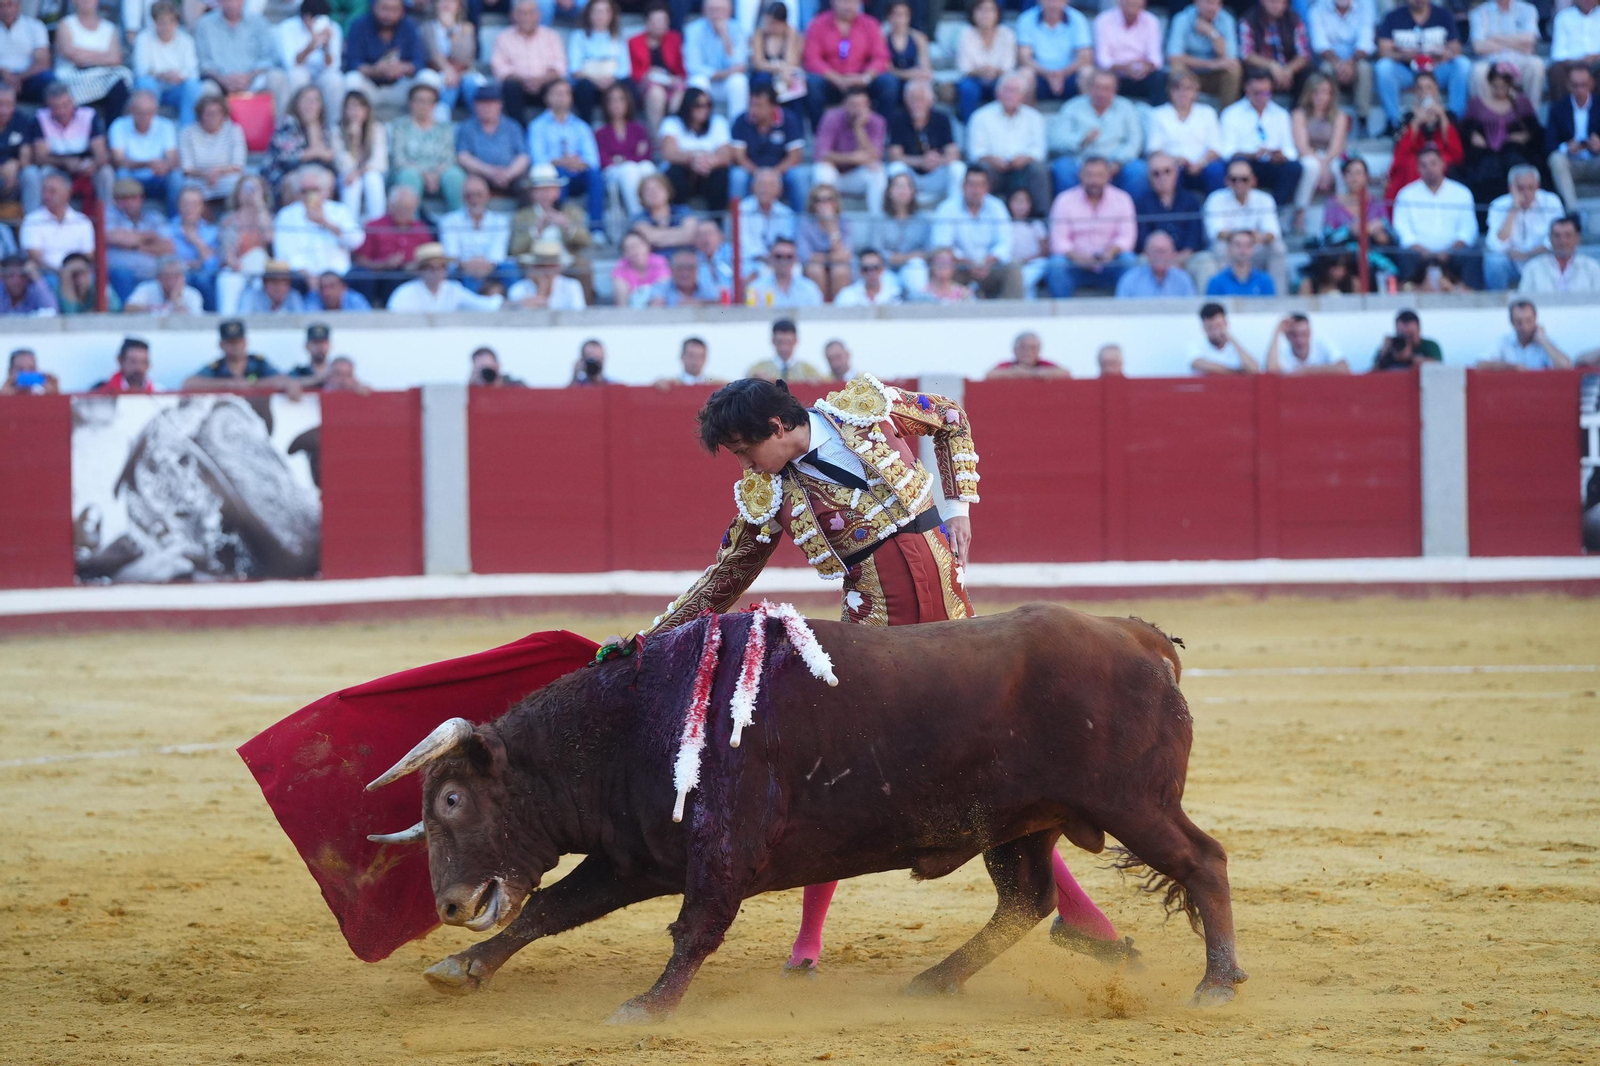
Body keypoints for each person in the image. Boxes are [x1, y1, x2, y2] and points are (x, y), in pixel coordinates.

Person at [1374, 0, 1471, 134]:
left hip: (1436, 71)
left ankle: (1454, 118)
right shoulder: (1393, 16)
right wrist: (1404, 55)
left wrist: (1443, 53)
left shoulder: (1443, 15)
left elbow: (1456, 48)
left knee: (1462, 64)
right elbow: (1383, 51)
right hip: (1407, 71)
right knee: (1383, 67)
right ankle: (1396, 123)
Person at [1045, 155, 1136, 297]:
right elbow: (1058, 241)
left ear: (1108, 176)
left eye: (1099, 175)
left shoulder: (1122, 199)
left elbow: (1126, 237)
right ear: (1080, 176)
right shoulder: (1064, 200)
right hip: (1075, 265)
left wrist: (1111, 252)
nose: (1094, 181)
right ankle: (1062, 316)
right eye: (1089, 175)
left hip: (1109, 264)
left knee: (1128, 261)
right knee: (1056, 264)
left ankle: (1125, 314)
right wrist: (1079, 258)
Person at [1457, 62, 1544, 210]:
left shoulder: (1521, 103)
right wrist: (1473, 136)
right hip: (1484, 155)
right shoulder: (1477, 103)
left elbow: (1535, 131)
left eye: (1503, 86)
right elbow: (1466, 130)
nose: (1499, 90)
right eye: (1495, 86)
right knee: (1487, 168)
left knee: (1515, 163)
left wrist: (1525, 136)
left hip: (1513, 153)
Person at [1048, 67, 1146, 198]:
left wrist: (1118, 162)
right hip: (1081, 163)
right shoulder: (1072, 107)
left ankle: (1129, 215)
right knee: (1063, 167)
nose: (1101, 93)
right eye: (1097, 87)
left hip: (1116, 164)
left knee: (1138, 170)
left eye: (1107, 89)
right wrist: (1081, 140)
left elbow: (1135, 141)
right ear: (1089, 87)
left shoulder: (1126, 108)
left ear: (1115, 91)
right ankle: (1072, 214)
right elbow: (1055, 140)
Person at [21, 81, 114, 213]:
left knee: (106, 172)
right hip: (55, 168)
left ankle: (107, 219)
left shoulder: (88, 116)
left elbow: (101, 154)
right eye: (55, 107)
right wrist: (65, 162)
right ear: (48, 106)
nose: (61, 111)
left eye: (65, 105)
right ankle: (34, 221)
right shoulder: (40, 118)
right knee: (32, 173)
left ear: (72, 101)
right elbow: (40, 157)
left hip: (85, 167)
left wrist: (91, 164)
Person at [1391, 145, 1478, 286]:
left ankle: (1468, 295)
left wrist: (1448, 252)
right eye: (1424, 165)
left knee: (1472, 253)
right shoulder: (1406, 194)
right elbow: (1403, 230)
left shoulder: (1462, 193)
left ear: (1442, 164)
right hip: (1419, 254)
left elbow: (1468, 230)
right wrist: (1423, 251)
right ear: (1418, 169)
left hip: (1453, 253)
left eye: (1433, 163)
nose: (1429, 169)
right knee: (1404, 254)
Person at [929, 166, 1021, 299]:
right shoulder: (947, 208)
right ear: (963, 186)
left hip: (990, 267)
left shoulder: (997, 207)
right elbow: (942, 245)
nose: (976, 190)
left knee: (1014, 266)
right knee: (942, 265)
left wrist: (988, 261)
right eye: (971, 185)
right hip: (959, 268)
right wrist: (968, 263)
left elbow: (1005, 243)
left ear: (987, 188)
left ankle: (1013, 316)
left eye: (980, 185)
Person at [966, 70, 1049, 215]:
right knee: (980, 168)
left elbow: (1039, 151)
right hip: (994, 171)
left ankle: (1042, 219)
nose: (1010, 95)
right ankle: (980, 216)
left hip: (1023, 170)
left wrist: (1025, 158)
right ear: (998, 93)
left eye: (1015, 91)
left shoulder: (1034, 117)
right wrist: (992, 159)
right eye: (1007, 90)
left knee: (1038, 169)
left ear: (1022, 95)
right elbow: (975, 152)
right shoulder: (981, 116)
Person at [801, 0, 894, 125]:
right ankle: (819, 133)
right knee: (813, 82)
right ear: (833, 2)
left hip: (861, 81)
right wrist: (836, 78)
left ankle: (882, 130)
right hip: (831, 82)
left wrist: (864, 78)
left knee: (888, 82)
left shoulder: (871, 24)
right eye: (844, 2)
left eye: (852, 2)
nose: (848, 6)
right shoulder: (818, 24)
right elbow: (811, 58)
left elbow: (881, 57)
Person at [527, 79, 604, 230]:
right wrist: (564, 162)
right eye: (557, 93)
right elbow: (538, 159)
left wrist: (575, 164)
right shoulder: (537, 126)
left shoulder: (581, 126)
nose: (562, 97)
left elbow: (592, 160)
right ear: (546, 97)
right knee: (558, 174)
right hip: (552, 176)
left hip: (577, 175)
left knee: (595, 175)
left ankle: (597, 228)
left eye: (565, 93)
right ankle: (557, 224)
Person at [1219, 69, 1303, 207]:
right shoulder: (1231, 114)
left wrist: (1282, 155)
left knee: (1294, 167)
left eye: (1266, 93)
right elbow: (1227, 151)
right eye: (1256, 93)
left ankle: (1274, 210)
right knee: (1238, 165)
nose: (1261, 97)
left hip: (1272, 164)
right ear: (1246, 89)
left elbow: (1291, 150)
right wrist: (1251, 155)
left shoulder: (1280, 114)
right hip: (1247, 163)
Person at [1203, 159, 1287, 292]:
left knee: (1278, 248)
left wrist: (1254, 239)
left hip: (1255, 248)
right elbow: (1216, 232)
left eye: (1244, 179)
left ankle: (1278, 297)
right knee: (1220, 248)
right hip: (1231, 247)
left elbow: (1272, 233)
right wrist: (1244, 237)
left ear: (1253, 180)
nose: (1239, 183)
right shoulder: (1215, 199)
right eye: (1234, 179)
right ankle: (1226, 295)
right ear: (1227, 181)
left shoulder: (1264, 199)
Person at [1382, 70, 1462, 202]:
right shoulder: (1408, 117)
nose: (1424, 91)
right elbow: (1400, 152)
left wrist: (1442, 118)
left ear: (1436, 89)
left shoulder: (1449, 116)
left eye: (1428, 87)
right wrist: (1416, 123)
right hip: (1414, 165)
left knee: (1435, 163)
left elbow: (1456, 153)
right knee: (1413, 163)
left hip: (1443, 162)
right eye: (1420, 88)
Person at [195, 0, 288, 113]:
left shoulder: (258, 22)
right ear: (220, 2)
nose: (232, 4)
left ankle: (281, 127)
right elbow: (203, 63)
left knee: (277, 77)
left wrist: (250, 76)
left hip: (254, 80)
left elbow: (269, 57)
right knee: (206, 89)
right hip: (220, 82)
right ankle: (214, 130)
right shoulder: (205, 24)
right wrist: (223, 80)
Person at [1483, 165, 1566, 290]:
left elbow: (1557, 239)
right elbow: (1495, 245)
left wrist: (1528, 254)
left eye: (1531, 188)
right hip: (1512, 261)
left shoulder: (1551, 201)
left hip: (1540, 258)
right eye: (1521, 188)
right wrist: (1514, 209)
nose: (1526, 193)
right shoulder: (1498, 205)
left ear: (1538, 187)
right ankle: (1497, 304)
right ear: (1511, 188)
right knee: (1494, 261)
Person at [276, 167, 364, 281]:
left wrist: (326, 223)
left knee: (362, 276)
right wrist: (307, 275)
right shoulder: (286, 215)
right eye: (304, 191)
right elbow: (284, 252)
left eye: (314, 190)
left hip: (339, 275)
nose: (309, 195)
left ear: (325, 191)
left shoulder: (339, 211)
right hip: (303, 277)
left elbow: (356, 240)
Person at [883, 79, 961, 207]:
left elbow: (953, 153)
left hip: (936, 174)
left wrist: (937, 160)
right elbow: (894, 156)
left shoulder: (942, 119)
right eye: (913, 99)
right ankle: (901, 211)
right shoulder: (898, 120)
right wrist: (921, 161)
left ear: (930, 100)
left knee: (957, 168)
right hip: (911, 176)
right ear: (906, 100)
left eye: (921, 99)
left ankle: (954, 209)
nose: (917, 103)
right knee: (895, 168)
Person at [390, 81, 467, 212]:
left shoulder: (444, 128)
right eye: (419, 100)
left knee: (455, 175)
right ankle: (412, 227)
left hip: (440, 172)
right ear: (411, 103)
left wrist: (436, 174)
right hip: (411, 170)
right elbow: (399, 159)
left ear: (435, 105)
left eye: (429, 101)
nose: (424, 105)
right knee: (409, 175)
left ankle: (459, 221)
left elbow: (449, 157)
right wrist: (425, 174)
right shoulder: (400, 126)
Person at [342, 0, 426, 119]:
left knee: (428, 77)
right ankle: (353, 128)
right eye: (384, 8)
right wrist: (375, 70)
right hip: (370, 88)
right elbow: (353, 63)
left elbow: (419, 62)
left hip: (399, 88)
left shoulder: (409, 27)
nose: (388, 14)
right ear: (373, 6)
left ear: (402, 11)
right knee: (352, 79)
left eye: (394, 9)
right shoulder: (359, 25)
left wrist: (402, 68)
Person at [1147, 70, 1226, 194]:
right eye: (1177, 88)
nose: (1183, 93)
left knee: (1216, 170)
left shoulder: (1207, 112)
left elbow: (1215, 147)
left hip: (1203, 164)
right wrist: (1174, 160)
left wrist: (1200, 163)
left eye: (1188, 88)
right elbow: (1154, 148)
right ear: (1170, 91)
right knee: (1167, 171)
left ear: (1196, 91)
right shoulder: (1157, 114)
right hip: (1173, 164)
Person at [52, 0, 133, 121]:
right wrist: (103, 56)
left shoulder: (110, 28)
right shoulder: (66, 24)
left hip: (102, 78)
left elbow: (116, 58)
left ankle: (112, 128)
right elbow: (72, 54)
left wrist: (85, 54)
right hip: (72, 77)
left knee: (120, 81)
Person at [813, 84, 887, 215]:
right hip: (834, 173)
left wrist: (859, 129)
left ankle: (878, 225)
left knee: (878, 173)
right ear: (845, 104)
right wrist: (853, 158)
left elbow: (874, 157)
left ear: (868, 104)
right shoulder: (831, 117)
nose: (858, 109)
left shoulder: (877, 121)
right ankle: (827, 223)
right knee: (821, 170)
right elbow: (822, 154)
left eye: (861, 105)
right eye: (853, 105)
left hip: (857, 176)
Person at [352, 183, 432, 303]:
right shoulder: (374, 226)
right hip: (382, 278)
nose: (406, 213)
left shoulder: (421, 229)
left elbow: (430, 259)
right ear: (391, 206)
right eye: (402, 208)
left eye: (410, 209)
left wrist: (415, 265)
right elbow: (360, 260)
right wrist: (384, 264)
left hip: (413, 279)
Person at [1135, 152, 1208, 280]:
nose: (1162, 177)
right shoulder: (1141, 203)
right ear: (1149, 177)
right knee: (1140, 261)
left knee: (1204, 262)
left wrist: (1177, 260)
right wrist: (1162, 261)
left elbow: (1194, 240)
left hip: (1186, 258)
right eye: (1156, 173)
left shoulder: (1191, 200)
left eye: (1167, 171)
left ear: (1176, 173)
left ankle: (1204, 301)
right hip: (1154, 260)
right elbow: (1142, 242)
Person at [491, 0, 565, 125]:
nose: (526, 17)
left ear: (538, 15)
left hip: (545, 85)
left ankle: (554, 127)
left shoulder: (551, 36)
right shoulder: (503, 37)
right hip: (519, 86)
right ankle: (519, 129)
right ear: (513, 15)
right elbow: (500, 68)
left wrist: (540, 80)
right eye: (521, 13)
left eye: (530, 13)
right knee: (509, 86)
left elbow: (560, 66)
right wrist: (524, 80)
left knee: (559, 86)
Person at [730, 82, 804, 206]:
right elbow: (739, 157)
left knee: (798, 176)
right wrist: (759, 174)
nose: (753, 110)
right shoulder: (741, 121)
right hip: (752, 172)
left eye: (759, 106)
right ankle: (736, 221)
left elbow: (795, 156)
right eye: (751, 105)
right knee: (738, 176)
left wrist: (773, 174)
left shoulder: (789, 119)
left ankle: (804, 221)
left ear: (772, 106)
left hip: (780, 172)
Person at [108, 89, 182, 214]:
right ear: (131, 111)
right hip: (132, 176)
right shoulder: (119, 126)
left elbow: (172, 158)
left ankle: (175, 219)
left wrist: (165, 166)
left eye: (150, 113)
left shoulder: (166, 126)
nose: (145, 117)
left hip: (158, 177)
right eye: (140, 113)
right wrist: (147, 164)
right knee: (122, 174)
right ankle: (124, 219)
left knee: (176, 177)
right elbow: (118, 160)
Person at [1290, 73, 1350, 221]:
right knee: (1311, 166)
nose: (1321, 97)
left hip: (1331, 155)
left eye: (1326, 92)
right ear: (1309, 93)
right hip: (1308, 154)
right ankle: (1300, 211)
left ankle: (1342, 212)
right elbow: (1302, 147)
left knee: (1339, 167)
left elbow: (1336, 147)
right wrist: (1322, 166)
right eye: (1317, 92)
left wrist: (1325, 164)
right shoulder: (1299, 114)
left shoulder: (1339, 116)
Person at [440, 173, 515, 291]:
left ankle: (518, 303)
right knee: (463, 274)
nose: (474, 200)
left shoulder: (500, 221)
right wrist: (469, 265)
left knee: (510, 268)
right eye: (469, 196)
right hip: (463, 269)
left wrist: (485, 265)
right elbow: (452, 254)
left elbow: (498, 253)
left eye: (479, 195)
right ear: (463, 198)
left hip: (492, 267)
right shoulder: (449, 221)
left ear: (487, 196)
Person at [660, 87, 732, 207]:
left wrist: (709, 161)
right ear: (688, 105)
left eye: (708, 105)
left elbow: (726, 154)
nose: (704, 109)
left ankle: (716, 220)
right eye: (698, 105)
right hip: (684, 174)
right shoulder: (672, 122)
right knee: (676, 172)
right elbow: (668, 153)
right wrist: (693, 158)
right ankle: (678, 216)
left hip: (709, 172)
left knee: (721, 174)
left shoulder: (718, 122)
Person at [1307, 0, 1374, 130]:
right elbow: (1320, 44)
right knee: (1325, 69)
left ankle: (1362, 120)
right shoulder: (1317, 9)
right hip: (1331, 61)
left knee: (1365, 68)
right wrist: (1338, 64)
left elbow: (1366, 43)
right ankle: (1330, 117)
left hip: (1355, 60)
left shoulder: (1365, 6)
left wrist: (1350, 63)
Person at [264, 83, 339, 198]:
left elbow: (323, 161)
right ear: (297, 103)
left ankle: (316, 215)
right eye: (307, 100)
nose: (311, 105)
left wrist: (312, 126)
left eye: (315, 101)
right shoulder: (287, 122)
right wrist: (316, 153)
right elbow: (288, 158)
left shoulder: (323, 128)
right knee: (297, 181)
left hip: (311, 171)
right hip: (284, 173)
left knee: (328, 179)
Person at [598, 81, 661, 217]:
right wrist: (631, 157)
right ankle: (638, 216)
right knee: (629, 169)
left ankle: (658, 213)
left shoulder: (638, 129)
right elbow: (603, 160)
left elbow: (646, 156)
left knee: (647, 167)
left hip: (633, 167)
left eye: (621, 99)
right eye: (612, 100)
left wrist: (621, 158)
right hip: (612, 173)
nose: (616, 104)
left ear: (627, 102)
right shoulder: (601, 133)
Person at [105, 179, 175, 299]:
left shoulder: (155, 217)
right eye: (123, 199)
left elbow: (168, 247)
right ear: (116, 200)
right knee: (122, 274)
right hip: (121, 274)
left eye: (133, 198)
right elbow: (115, 237)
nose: (129, 203)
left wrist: (134, 245)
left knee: (173, 272)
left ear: (141, 198)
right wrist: (151, 237)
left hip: (153, 273)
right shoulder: (109, 215)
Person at [182, 319, 297, 391]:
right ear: (221, 345)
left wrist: (252, 384)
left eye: (238, 341)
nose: (235, 346)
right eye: (231, 342)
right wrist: (227, 384)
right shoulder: (217, 367)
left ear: (246, 342)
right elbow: (189, 384)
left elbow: (282, 379)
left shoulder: (258, 363)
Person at [456, 84, 531, 195]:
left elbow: (523, 156)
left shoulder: (512, 126)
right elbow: (463, 156)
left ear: (500, 105)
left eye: (492, 103)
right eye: (483, 104)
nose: (488, 108)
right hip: (480, 174)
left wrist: (508, 173)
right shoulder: (467, 128)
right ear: (475, 106)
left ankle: (526, 213)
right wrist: (490, 172)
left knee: (527, 185)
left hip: (510, 174)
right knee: (472, 185)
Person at [279, 0, 346, 124]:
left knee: (335, 80)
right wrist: (311, 45)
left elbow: (332, 67)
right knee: (297, 75)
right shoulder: (287, 28)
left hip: (321, 76)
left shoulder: (333, 28)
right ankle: (297, 124)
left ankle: (333, 127)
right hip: (300, 75)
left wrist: (327, 47)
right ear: (306, 17)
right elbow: (291, 64)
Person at [387, 242, 506, 311]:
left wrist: (515, 304)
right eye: (431, 268)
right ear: (420, 271)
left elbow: (484, 305)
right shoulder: (405, 293)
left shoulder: (453, 289)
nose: (437, 272)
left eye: (441, 267)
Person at [1470, 0, 1543, 111]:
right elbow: (1479, 47)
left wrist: (1495, 38)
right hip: (1491, 62)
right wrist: (1517, 43)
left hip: (1520, 61)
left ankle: (1530, 115)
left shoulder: (1528, 9)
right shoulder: (1479, 12)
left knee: (1536, 65)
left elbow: (1529, 40)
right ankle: (1486, 118)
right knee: (1478, 71)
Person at [1167, 0, 1242, 107]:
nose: (1213, 8)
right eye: (1209, 3)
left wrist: (1212, 33)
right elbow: (1173, 57)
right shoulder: (1182, 19)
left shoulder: (1226, 19)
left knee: (1233, 70)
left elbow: (1230, 59)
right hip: (1190, 73)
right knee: (1176, 68)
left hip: (1213, 76)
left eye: (1218, 4)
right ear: (1196, 2)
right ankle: (1178, 113)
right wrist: (1211, 64)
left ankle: (1226, 114)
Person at [1015, 0, 1092, 105]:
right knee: (1025, 73)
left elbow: (1085, 57)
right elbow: (1024, 58)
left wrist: (1062, 74)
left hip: (1070, 74)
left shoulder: (1078, 19)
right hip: (1039, 74)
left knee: (1087, 73)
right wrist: (1048, 74)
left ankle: (1086, 117)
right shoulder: (1026, 19)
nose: (1053, 3)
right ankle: (1030, 118)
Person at [1546, 65, 1600, 213]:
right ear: (1568, 85)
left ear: (1591, 84)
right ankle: (1572, 212)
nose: (1580, 90)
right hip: (1571, 163)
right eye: (1575, 85)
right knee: (1556, 158)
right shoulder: (1557, 108)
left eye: (1584, 85)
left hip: (1595, 162)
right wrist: (1566, 147)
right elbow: (1549, 143)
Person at [20, 171, 95, 275]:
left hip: (77, 275)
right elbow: (34, 255)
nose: (46, 196)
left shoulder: (82, 221)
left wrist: (69, 272)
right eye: (44, 191)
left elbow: (88, 255)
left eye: (52, 191)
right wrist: (60, 273)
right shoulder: (32, 220)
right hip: (46, 274)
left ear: (67, 193)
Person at [629, 2, 687, 135]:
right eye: (655, 21)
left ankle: (672, 135)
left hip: (671, 83)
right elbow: (634, 73)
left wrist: (673, 79)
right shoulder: (634, 41)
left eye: (663, 21)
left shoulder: (674, 39)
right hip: (646, 84)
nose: (659, 24)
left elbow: (681, 70)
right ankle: (657, 139)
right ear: (647, 22)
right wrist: (649, 74)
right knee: (656, 93)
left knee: (681, 92)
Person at [686, 0, 751, 118]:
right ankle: (701, 129)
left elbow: (740, 65)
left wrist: (725, 37)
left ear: (729, 12)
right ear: (704, 12)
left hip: (726, 83)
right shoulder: (693, 30)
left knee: (739, 81)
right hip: (707, 81)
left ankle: (736, 127)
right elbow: (693, 66)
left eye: (721, 10)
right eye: (712, 10)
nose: (716, 15)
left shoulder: (738, 29)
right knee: (697, 81)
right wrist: (724, 73)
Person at [178, 92, 246, 203]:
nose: (213, 118)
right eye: (208, 114)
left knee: (240, 185)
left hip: (227, 177)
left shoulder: (234, 131)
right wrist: (206, 175)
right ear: (200, 115)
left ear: (223, 115)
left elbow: (238, 165)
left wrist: (217, 172)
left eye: (217, 113)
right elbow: (187, 168)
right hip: (198, 178)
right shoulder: (187, 133)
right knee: (187, 189)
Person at [956, 0, 1016, 121]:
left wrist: (994, 71)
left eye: (990, 10)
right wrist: (982, 71)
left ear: (997, 13)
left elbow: (1008, 66)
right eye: (981, 10)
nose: (986, 14)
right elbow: (964, 67)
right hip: (974, 78)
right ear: (973, 13)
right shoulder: (965, 33)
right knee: (967, 88)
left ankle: (1002, 125)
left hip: (998, 78)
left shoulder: (1007, 34)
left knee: (1005, 88)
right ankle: (970, 127)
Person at [1094, 0, 1166, 103]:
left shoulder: (1152, 21)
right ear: (1120, 2)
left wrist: (1146, 66)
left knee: (1160, 78)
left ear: (1144, 4)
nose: (1132, 7)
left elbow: (1156, 59)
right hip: (1114, 72)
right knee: (1100, 79)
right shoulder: (1103, 20)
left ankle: (1157, 114)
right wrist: (1124, 67)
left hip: (1142, 73)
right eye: (1128, 3)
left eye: (1136, 3)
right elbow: (1103, 60)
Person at [1239, 0, 1311, 100]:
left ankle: (1298, 110)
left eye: (1282, 2)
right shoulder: (1249, 19)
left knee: (1308, 73)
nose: (1278, 6)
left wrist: (1289, 70)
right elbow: (1246, 54)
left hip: (1288, 71)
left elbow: (1304, 54)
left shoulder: (1294, 19)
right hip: (1263, 68)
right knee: (1252, 72)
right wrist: (1271, 66)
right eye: (1273, 2)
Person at [423, 0, 484, 118]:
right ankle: (441, 122)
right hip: (439, 73)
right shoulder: (428, 28)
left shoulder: (467, 28)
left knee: (471, 84)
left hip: (464, 73)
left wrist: (451, 31)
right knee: (449, 85)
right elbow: (433, 54)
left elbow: (465, 57)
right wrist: (448, 71)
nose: (446, 4)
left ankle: (478, 120)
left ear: (459, 6)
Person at [567, 0, 625, 121]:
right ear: (589, 14)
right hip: (588, 82)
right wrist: (596, 80)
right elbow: (575, 68)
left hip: (611, 82)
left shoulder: (617, 37)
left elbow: (625, 68)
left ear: (611, 15)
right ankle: (586, 125)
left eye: (605, 12)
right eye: (597, 12)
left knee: (627, 86)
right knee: (584, 87)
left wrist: (610, 80)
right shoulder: (578, 36)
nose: (601, 15)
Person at [336, 89, 387, 223]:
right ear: (344, 110)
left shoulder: (377, 129)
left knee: (373, 178)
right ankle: (349, 228)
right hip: (345, 176)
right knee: (353, 183)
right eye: (351, 107)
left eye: (360, 107)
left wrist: (358, 171)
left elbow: (380, 162)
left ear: (367, 110)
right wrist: (354, 140)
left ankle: (377, 226)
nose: (355, 111)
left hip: (367, 173)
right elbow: (343, 164)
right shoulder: (336, 130)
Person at [1479, 298, 1573, 369]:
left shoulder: (1547, 342)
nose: (1524, 327)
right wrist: (1513, 368)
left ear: (1535, 319)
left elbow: (1566, 366)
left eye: (1529, 321)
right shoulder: (1504, 342)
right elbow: (1481, 364)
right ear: (1512, 322)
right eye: (1519, 322)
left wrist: (1543, 341)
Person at [737, 166, 796, 276]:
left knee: (795, 270)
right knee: (754, 273)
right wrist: (763, 257)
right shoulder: (742, 209)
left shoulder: (787, 213)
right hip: (750, 260)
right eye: (761, 184)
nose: (765, 189)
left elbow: (786, 240)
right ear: (753, 187)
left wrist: (774, 257)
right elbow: (743, 241)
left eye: (770, 185)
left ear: (779, 190)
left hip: (779, 259)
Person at [1518, 215, 1600, 293]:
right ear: (1550, 238)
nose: (1563, 241)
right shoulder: (1533, 268)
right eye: (1557, 236)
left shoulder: (1592, 268)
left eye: (1568, 236)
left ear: (1577, 239)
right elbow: (1524, 302)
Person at [748, 0, 804, 106]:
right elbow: (758, 63)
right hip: (766, 75)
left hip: (786, 76)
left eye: (773, 23)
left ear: (784, 23)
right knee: (763, 79)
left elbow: (792, 63)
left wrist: (790, 37)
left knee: (794, 84)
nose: (769, 26)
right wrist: (779, 69)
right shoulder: (760, 35)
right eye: (767, 22)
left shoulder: (794, 36)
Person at [746, 235, 825, 306]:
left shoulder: (809, 289)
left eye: (789, 257)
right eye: (779, 257)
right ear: (770, 258)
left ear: (796, 259)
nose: (784, 261)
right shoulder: (756, 288)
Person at [508, 238, 588, 309]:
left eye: (550, 266)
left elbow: (578, 316)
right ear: (532, 267)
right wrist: (541, 292)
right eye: (541, 266)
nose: (546, 271)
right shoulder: (518, 289)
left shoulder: (572, 286)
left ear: (558, 268)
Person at [1115, 230, 1196, 298]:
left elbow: (1192, 312)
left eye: (1163, 251)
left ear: (1172, 254)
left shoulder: (1183, 280)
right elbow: (1120, 313)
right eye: (1155, 251)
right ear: (1146, 253)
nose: (1159, 256)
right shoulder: (1130, 280)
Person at [0, 0, 51, 105]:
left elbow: (42, 62)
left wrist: (18, 78)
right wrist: (4, 73)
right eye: (1, 5)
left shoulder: (35, 26)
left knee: (48, 79)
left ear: (19, 6)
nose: (6, 9)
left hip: (27, 77)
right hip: (2, 75)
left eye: (10, 4)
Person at [1264, 312, 1349, 373]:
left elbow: (1344, 368)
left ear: (1310, 333)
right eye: (1295, 335)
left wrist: (1305, 370)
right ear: (1288, 336)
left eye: (1304, 334)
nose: (1300, 340)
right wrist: (1277, 331)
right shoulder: (1284, 353)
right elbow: (1271, 371)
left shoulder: (1322, 345)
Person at [1549, 0, 1600, 102]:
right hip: (1571, 63)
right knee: (1556, 71)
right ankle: (1563, 113)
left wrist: (1596, 57)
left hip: (1597, 62)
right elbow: (1558, 53)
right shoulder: (1563, 17)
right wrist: (1578, 62)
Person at [1190, 302, 1259, 374]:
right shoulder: (1196, 345)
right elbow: (1198, 364)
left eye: (1218, 326)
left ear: (1226, 323)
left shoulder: (1238, 347)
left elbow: (1254, 369)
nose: (1215, 332)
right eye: (1210, 328)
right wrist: (1237, 373)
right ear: (1204, 328)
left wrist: (1230, 338)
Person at [746, 317, 824, 379]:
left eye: (788, 342)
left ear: (795, 341)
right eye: (780, 342)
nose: (784, 348)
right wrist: (754, 381)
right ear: (773, 341)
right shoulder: (757, 370)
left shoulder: (810, 372)